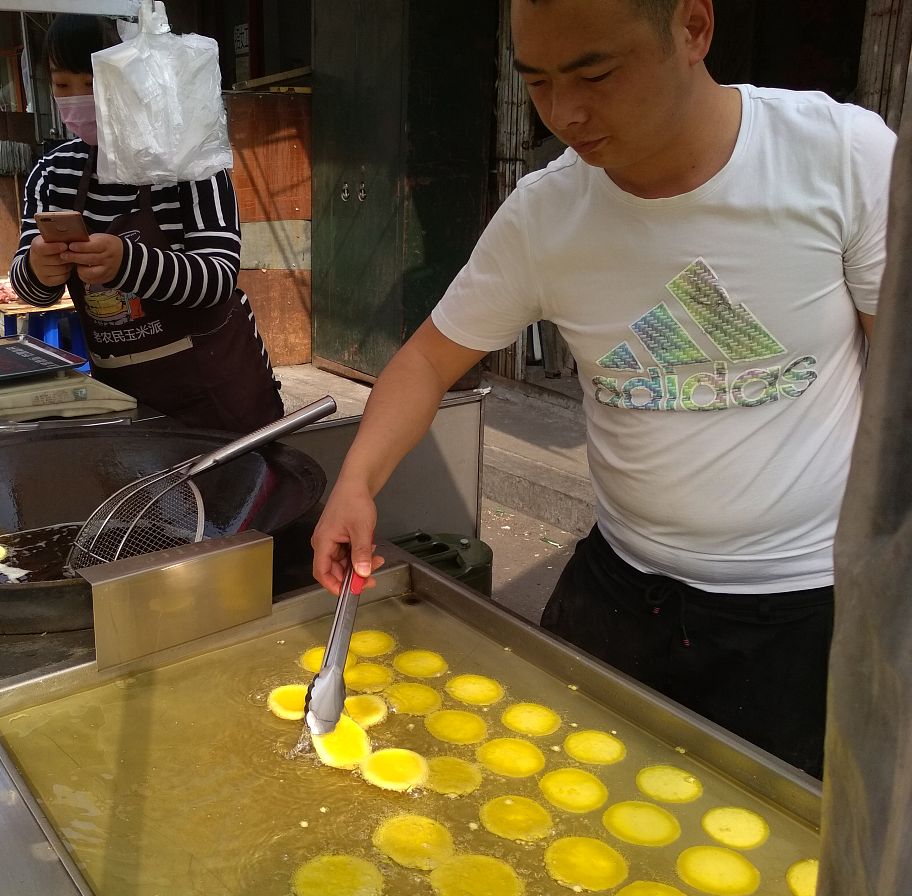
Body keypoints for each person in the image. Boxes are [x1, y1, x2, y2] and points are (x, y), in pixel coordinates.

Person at [311, 0, 895, 778]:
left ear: (692, 27)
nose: (567, 113)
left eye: (595, 73)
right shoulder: (547, 214)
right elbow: (425, 360)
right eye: (540, 82)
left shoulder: (839, 157)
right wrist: (357, 480)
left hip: (808, 604)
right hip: (621, 590)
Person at [10, 14, 285, 433]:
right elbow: (31, 289)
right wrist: (37, 269)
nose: (77, 99)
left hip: (218, 391)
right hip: (123, 395)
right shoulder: (52, 173)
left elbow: (217, 278)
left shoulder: (192, 163)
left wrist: (128, 263)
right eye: (62, 85)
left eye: (93, 83)